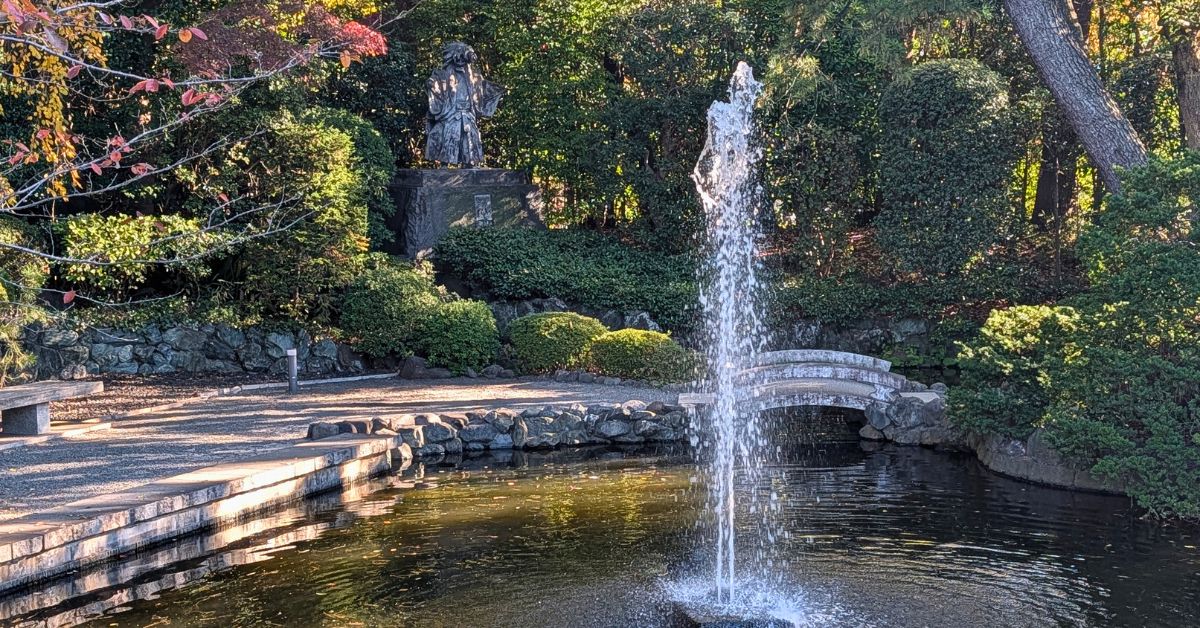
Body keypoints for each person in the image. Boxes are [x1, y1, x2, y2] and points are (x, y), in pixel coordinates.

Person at [424, 42, 505, 167]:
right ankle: (444, 164)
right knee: (445, 135)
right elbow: (435, 83)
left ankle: (470, 163)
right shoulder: (444, 74)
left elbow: (482, 89)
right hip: (451, 113)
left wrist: (496, 90)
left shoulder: (474, 77)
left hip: (467, 114)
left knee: (470, 139)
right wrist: (432, 84)